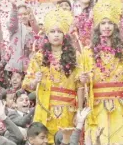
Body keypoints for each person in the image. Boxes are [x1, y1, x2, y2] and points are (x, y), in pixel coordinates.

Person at [78, 0, 123, 144]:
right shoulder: (88, 51)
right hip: (97, 107)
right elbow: (81, 84)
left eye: (110, 23)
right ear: (97, 26)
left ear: (116, 26)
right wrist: (83, 80)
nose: (106, 26)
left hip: (122, 106)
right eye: (103, 23)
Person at [22, 8, 81, 144]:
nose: (56, 35)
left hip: (68, 110)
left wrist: (79, 111)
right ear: (47, 35)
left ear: (64, 35)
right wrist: (35, 81)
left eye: (59, 32)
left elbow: (80, 86)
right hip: (45, 109)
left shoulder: (75, 57)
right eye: (52, 32)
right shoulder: (39, 57)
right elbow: (28, 84)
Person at [0, 3, 39, 74]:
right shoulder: (15, 28)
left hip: (29, 69)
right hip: (14, 68)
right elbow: (13, 24)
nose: (23, 16)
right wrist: (14, 11)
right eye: (20, 15)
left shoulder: (34, 30)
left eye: (25, 14)